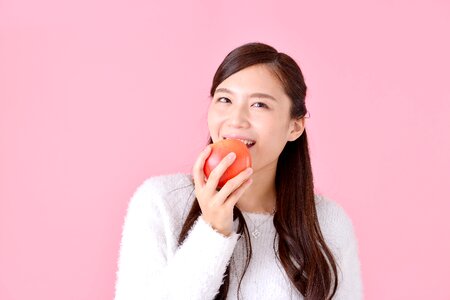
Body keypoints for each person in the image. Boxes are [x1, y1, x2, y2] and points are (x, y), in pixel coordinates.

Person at [113, 42, 363, 300]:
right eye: (224, 99)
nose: (236, 119)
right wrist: (212, 231)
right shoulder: (161, 201)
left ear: (295, 126)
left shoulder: (329, 222)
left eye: (259, 105)